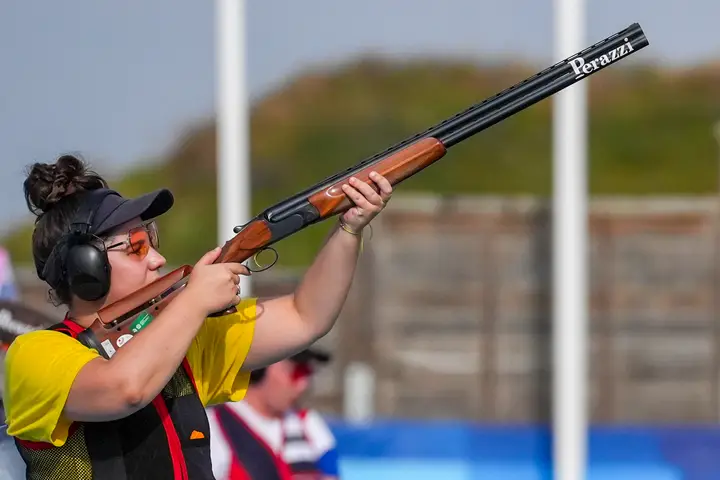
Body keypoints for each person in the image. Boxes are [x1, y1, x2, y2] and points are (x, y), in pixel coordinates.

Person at [2, 154, 391, 479]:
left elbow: (305, 317)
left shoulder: (183, 341)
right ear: (86, 267)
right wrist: (193, 302)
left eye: (151, 239)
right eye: (136, 247)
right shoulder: (34, 354)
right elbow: (124, 389)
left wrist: (347, 229)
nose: (157, 258)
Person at [208, 347, 339, 480]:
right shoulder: (213, 426)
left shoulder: (309, 424)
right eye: (296, 372)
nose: (303, 384)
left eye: (307, 373)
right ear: (261, 367)